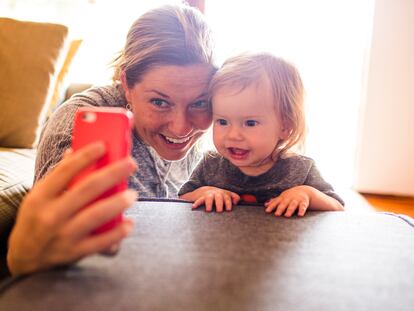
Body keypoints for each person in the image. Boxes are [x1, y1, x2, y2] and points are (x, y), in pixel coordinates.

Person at [5, 3, 216, 277]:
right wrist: (26, 258)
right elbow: (54, 250)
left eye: (199, 103)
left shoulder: (204, 120)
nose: (181, 128)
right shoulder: (80, 126)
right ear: (126, 83)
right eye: (160, 102)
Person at [179, 53, 344, 216]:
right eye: (222, 122)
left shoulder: (300, 169)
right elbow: (182, 197)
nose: (233, 135)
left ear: (285, 126)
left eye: (250, 123)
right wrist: (203, 192)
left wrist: (307, 194)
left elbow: (337, 207)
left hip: (278, 241)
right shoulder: (211, 165)